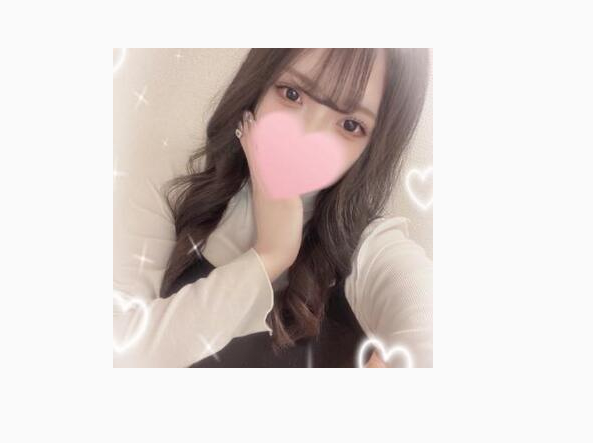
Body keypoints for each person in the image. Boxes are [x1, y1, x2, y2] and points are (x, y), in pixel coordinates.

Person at [113, 49, 432, 368]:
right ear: (260, 83)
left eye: (350, 125)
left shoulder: (369, 247)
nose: (306, 137)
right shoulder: (175, 182)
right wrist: (269, 256)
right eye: (292, 94)